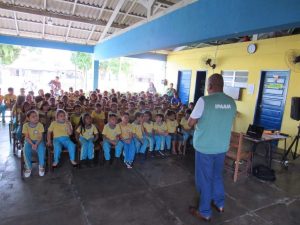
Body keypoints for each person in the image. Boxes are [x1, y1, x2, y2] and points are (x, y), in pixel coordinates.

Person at [188, 74, 237, 222]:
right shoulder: (231, 102)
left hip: (205, 148)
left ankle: (205, 212)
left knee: (205, 180)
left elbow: (190, 122)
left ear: (209, 86)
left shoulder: (204, 101)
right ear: (222, 86)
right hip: (221, 147)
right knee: (216, 176)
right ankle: (220, 203)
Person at [22, 110, 46, 177]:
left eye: (37, 116)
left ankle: (41, 166)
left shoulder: (40, 125)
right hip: (29, 141)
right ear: (28, 118)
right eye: (33, 117)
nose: (36, 118)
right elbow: (26, 137)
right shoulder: (25, 125)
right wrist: (32, 144)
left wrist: (36, 144)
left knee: (41, 149)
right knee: (26, 149)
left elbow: (40, 137)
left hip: (38, 141)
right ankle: (28, 167)